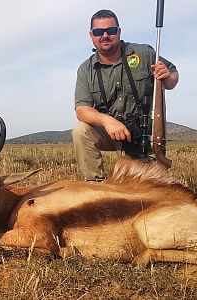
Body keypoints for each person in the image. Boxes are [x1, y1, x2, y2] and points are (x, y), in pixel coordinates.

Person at [72, 9, 179, 182]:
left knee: (151, 189)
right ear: (91, 35)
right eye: (99, 32)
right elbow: (82, 110)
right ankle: (97, 187)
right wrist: (108, 121)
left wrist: (167, 76)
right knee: (80, 131)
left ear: (119, 31)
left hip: (145, 136)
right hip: (112, 133)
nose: (105, 35)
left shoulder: (144, 54)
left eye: (111, 30)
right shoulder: (86, 69)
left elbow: (173, 77)